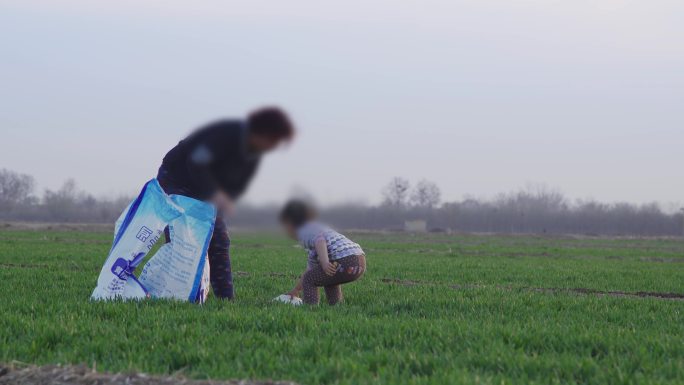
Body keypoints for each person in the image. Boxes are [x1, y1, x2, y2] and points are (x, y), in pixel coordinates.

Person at [157, 107, 295, 299]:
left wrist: (224, 201)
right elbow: (197, 163)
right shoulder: (226, 133)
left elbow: (236, 185)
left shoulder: (252, 156)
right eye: (272, 140)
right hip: (177, 179)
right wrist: (216, 194)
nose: (273, 146)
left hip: (206, 191)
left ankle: (226, 300)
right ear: (261, 131)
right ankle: (175, 295)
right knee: (183, 239)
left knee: (219, 240)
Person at [280, 200, 366, 305]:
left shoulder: (304, 231)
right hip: (360, 262)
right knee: (327, 277)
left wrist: (325, 263)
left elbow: (319, 240)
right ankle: (336, 305)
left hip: (345, 260)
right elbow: (310, 269)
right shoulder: (317, 231)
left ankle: (311, 308)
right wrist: (296, 290)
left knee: (310, 278)